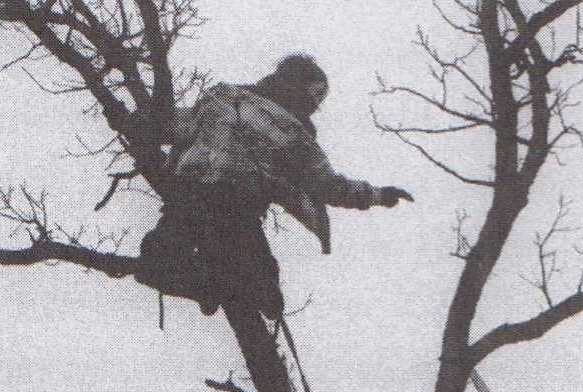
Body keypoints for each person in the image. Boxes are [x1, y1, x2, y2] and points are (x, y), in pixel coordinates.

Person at [136, 53, 413, 317]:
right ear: (298, 86)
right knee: (266, 294)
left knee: (157, 263)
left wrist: (127, 118)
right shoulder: (295, 133)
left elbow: (172, 126)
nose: (315, 106)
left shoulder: (224, 97)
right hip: (236, 207)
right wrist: (379, 195)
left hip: (192, 196)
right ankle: (215, 285)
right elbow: (327, 185)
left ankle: (210, 284)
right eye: (314, 97)